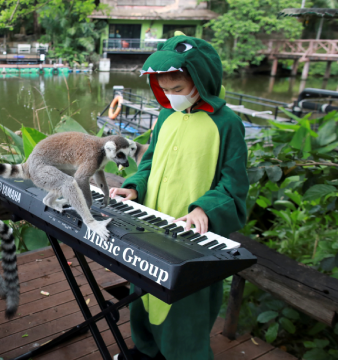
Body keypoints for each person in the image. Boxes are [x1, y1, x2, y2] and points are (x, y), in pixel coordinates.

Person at [109, 33, 249, 360]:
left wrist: (206, 209)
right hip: (149, 227)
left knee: (186, 312)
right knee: (142, 297)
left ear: (200, 79)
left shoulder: (227, 124)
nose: (172, 97)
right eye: (166, 90)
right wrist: (134, 187)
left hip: (191, 239)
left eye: (179, 89)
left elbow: (234, 184)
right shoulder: (166, 116)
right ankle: (145, 352)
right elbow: (150, 162)